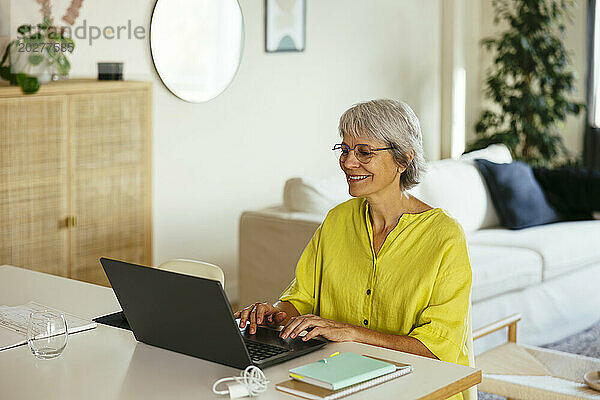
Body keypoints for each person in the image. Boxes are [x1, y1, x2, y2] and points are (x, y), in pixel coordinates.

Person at [235, 99, 473, 393]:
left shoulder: (445, 236)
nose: (348, 162)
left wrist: (352, 334)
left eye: (364, 152)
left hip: (416, 387)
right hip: (336, 378)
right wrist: (273, 313)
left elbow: (438, 349)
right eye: (345, 150)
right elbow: (302, 299)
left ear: (403, 159)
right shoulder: (336, 221)